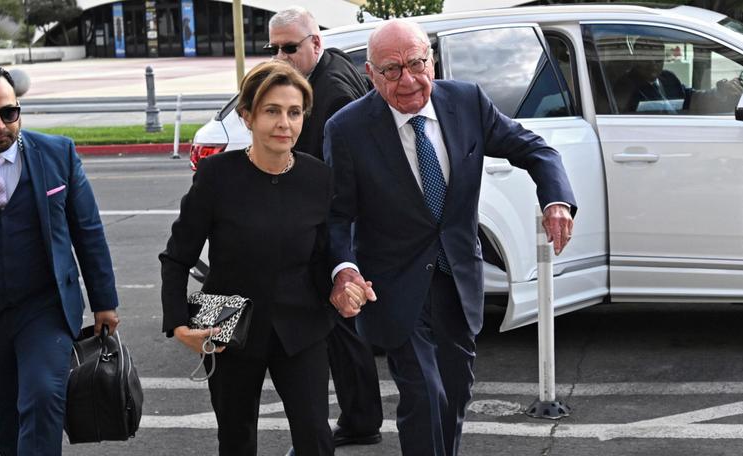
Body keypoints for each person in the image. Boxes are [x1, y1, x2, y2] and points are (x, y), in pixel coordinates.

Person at [323, 20, 577, 456]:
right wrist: (344, 269)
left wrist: (555, 200)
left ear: (432, 60)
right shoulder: (347, 129)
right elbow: (337, 215)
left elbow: (537, 150)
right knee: (423, 395)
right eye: (391, 70)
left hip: (456, 277)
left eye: (417, 63)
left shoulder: (467, 102)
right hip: (393, 286)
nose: (408, 79)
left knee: (454, 396)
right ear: (370, 73)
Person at [160, 60, 367, 456]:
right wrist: (179, 325)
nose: (284, 123)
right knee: (236, 440)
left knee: (315, 439)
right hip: (225, 321)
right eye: (272, 111)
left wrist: (345, 283)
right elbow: (177, 257)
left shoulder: (318, 177)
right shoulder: (216, 175)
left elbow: (326, 253)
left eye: (293, 112)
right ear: (247, 116)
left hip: (302, 322)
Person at [0, 65, 120, 456]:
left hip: (43, 307)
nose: (0, 125)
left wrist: (104, 301)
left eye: (9, 113)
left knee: (44, 398)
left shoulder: (57, 153)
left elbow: (88, 230)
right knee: (2, 413)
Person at [267, 6, 383, 449]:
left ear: (315, 42)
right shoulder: (330, 66)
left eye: (289, 47)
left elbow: (331, 171)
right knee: (341, 327)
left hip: (328, 225)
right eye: (274, 48)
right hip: (331, 224)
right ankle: (358, 419)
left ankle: (349, 422)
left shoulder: (329, 90)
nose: (280, 56)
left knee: (332, 327)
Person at [612, 37, 743, 114]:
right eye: (648, 58)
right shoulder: (625, 87)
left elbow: (692, 98)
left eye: (658, 58)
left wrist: (720, 92)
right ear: (636, 58)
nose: (653, 64)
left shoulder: (667, 77)